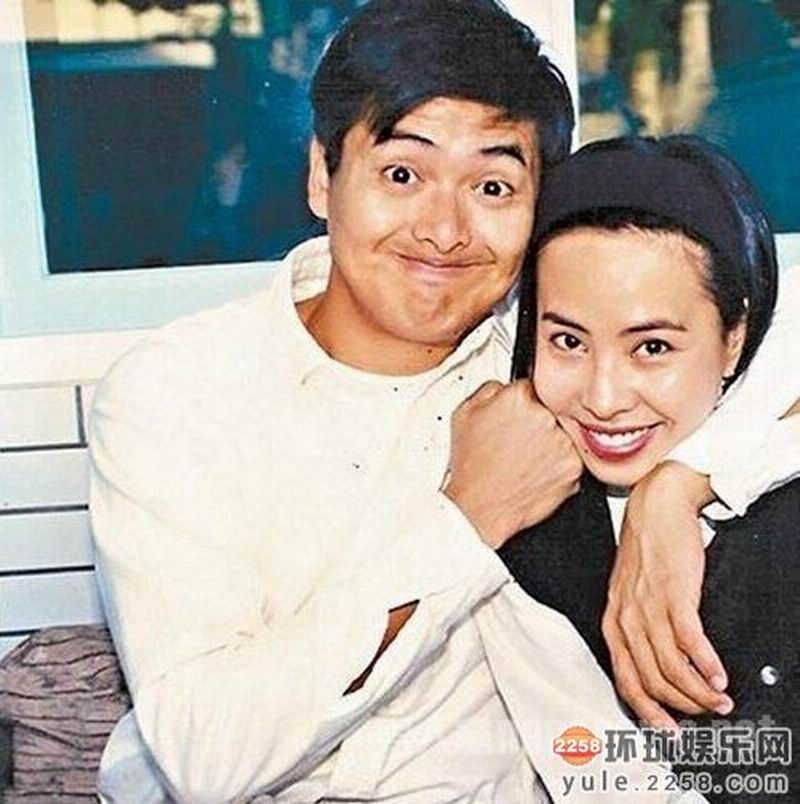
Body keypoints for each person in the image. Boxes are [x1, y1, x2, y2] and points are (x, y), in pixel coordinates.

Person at [89, 1, 797, 800]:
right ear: (322, 175)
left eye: (492, 185)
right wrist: (466, 517)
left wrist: (681, 485)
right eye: (402, 175)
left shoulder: (553, 365)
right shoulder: (178, 391)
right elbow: (205, 757)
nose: (444, 230)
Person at [501, 135, 799, 801]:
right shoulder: (528, 545)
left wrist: (675, 486)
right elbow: (597, 775)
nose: (604, 398)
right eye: (568, 341)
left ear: (734, 339)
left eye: (653, 347)